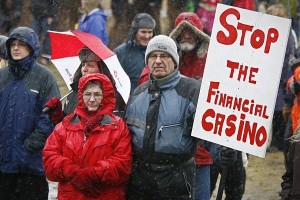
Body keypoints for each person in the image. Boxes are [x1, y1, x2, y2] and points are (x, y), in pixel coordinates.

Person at [125, 34, 237, 200]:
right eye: (153, 56)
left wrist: (222, 151)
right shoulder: (138, 93)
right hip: (140, 183)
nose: (157, 61)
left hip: (176, 182)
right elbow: (127, 136)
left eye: (164, 56)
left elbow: (209, 134)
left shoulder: (191, 90)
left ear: (175, 61)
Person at [43, 73, 132, 200]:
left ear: (105, 96)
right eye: (87, 94)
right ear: (81, 96)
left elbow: (123, 164)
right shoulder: (66, 125)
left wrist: (93, 174)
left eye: (97, 94)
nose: (91, 99)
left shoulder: (118, 127)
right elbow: (50, 159)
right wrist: (72, 172)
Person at [0, 26, 60, 200]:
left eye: (22, 44)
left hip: (31, 164)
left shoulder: (44, 77)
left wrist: (34, 142)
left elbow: (51, 114)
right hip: (4, 163)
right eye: (13, 45)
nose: (16, 48)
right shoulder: (2, 76)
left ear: (31, 47)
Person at [44, 46, 126, 125]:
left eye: (90, 65)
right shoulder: (74, 92)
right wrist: (57, 115)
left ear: (102, 70)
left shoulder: (113, 97)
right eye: (83, 65)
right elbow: (67, 125)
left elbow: (113, 129)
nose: (84, 69)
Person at [114, 13, 156, 94]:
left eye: (150, 32)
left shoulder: (157, 52)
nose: (147, 36)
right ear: (135, 32)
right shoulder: (121, 53)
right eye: (143, 32)